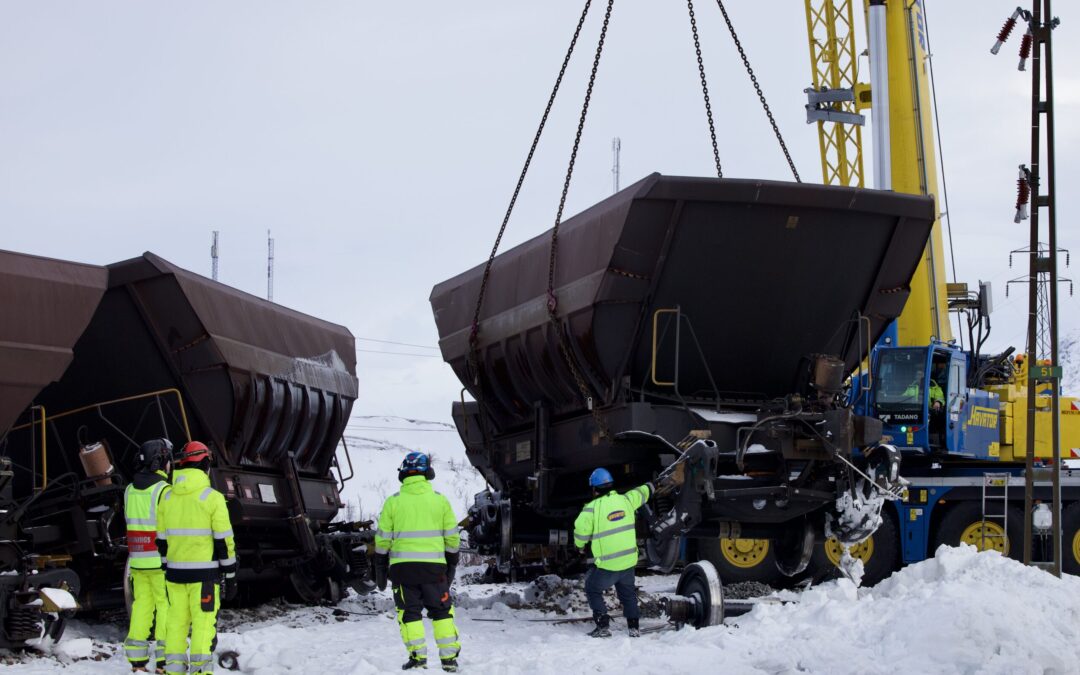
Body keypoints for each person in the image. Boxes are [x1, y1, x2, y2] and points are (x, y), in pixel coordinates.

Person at [373, 452, 461, 672]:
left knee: (409, 614)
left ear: (403, 473)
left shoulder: (393, 502)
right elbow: (452, 538)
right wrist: (452, 563)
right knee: (441, 612)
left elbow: (382, 541)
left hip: (403, 573)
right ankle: (449, 659)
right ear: (427, 473)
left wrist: (380, 567)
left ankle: (418, 658)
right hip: (434, 571)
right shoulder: (440, 500)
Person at [156, 441, 236, 675]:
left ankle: (174, 671)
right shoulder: (212, 498)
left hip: (174, 576)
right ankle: (201, 672)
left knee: (176, 625)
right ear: (205, 463)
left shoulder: (167, 497)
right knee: (202, 626)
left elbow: (161, 540)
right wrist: (230, 575)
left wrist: (165, 567)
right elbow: (224, 541)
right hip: (205, 578)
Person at [573, 468, 652, 638]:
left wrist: (579, 546)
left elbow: (580, 532)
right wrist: (654, 484)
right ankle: (634, 627)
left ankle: (603, 627)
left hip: (608, 565)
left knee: (592, 588)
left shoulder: (591, 509)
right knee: (628, 594)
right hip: (628, 561)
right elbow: (643, 491)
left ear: (594, 489)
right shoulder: (627, 500)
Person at [123, 439, 173, 673]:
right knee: (166, 607)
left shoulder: (129, 490)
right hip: (161, 561)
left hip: (137, 560)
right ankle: (163, 661)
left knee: (142, 606)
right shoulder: (164, 490)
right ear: (161, 461)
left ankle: (137, 661)